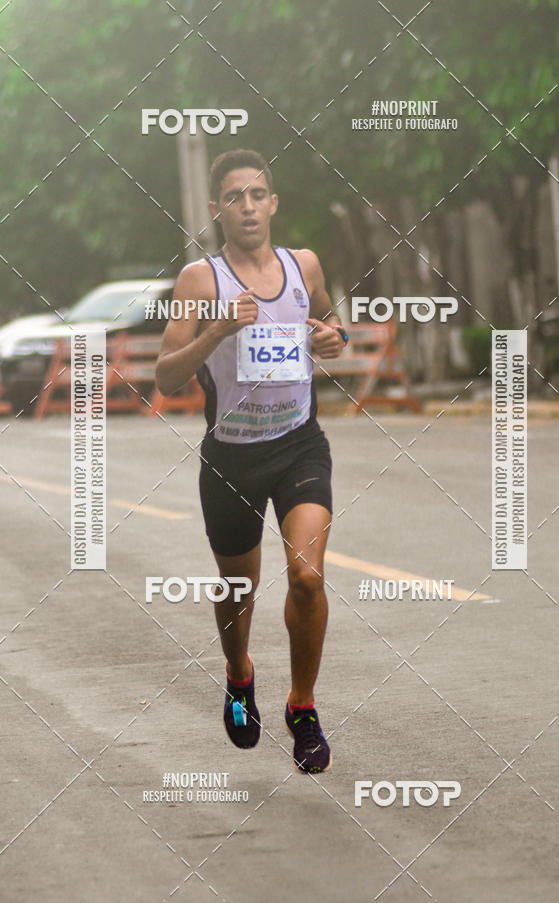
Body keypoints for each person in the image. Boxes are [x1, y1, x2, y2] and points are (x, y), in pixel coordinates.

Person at [156, 149, 348, 774]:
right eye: (234, 197)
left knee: (307, 577)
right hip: (231, 459)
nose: (247, 206)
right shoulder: (199, 280)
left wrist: (332, 337)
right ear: (217, 209)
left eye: (257, 194)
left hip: (298, 445)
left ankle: (303, 707)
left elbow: (332, 326)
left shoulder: (304, 265)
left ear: (273, 203)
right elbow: (165, 376)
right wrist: (215, 332)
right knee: (240, 588)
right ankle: (239, 674)